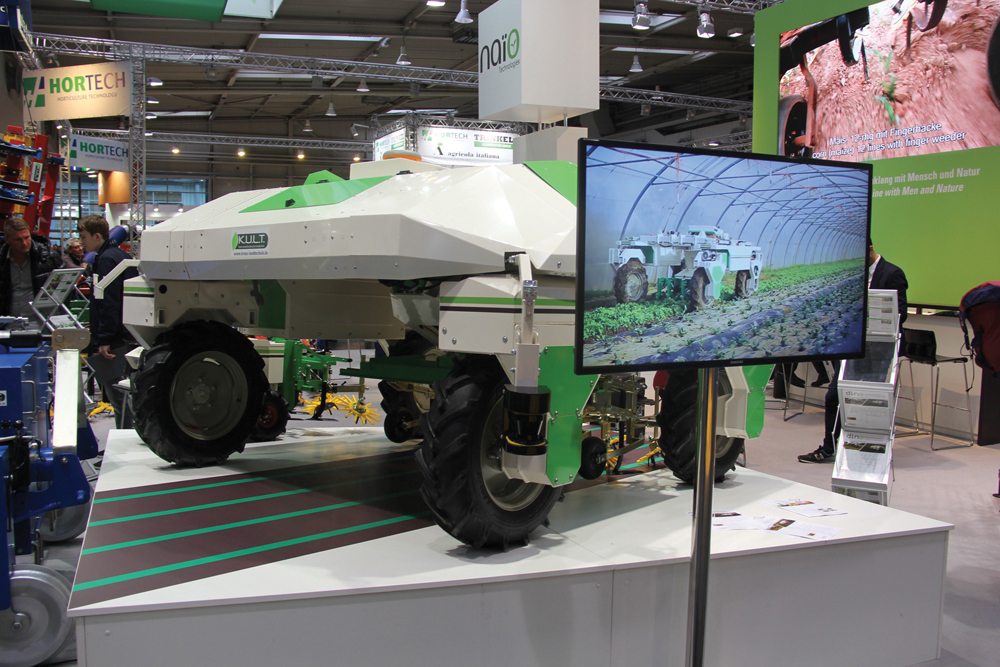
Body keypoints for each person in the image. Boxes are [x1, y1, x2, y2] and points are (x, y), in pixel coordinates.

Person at [798, 241, 908, 463]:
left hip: (877, 349)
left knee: (868, 400)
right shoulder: (853, 275)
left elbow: (900, 313)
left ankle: (867, 452)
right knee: (834, 397)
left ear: (870, 248)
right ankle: (829, 447)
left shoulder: (892, 273)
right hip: (849, 347)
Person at [78, 214, 138, 426]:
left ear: (97, 236)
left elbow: (109, 302)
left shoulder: (105, 260)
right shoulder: (118, 256)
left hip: (115, 340)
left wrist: (104, 339)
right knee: (124, 394)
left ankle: (124, 440)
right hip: (126, 333)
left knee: (119, 396)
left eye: (84, 236)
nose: (81, 241)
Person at [0, 216, 60, 323]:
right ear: (7, 239)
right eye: (18, 240)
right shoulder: (2, 260)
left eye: (27, 237)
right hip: (8, 322)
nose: (24, 243)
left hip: (41, 321)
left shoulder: (48, 258)